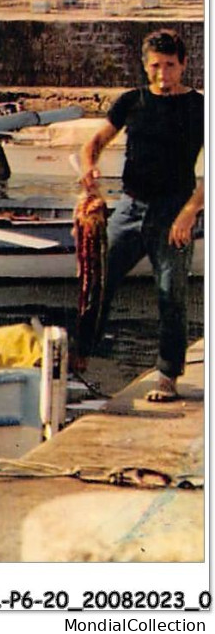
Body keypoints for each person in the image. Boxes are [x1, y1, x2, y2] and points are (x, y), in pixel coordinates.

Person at [78, 28, 204, 402]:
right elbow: (95, 142)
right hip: (129, 208)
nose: (163, 75)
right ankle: (80, 358)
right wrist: (89, 168)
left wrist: (190, 212)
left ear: (183, 65)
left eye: (170, 66)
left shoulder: (199, 107)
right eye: (155, 66)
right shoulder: (131, 101)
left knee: (171, 294)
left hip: (173, 212)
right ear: (145, 66)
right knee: (97, 282)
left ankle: (168, 374)